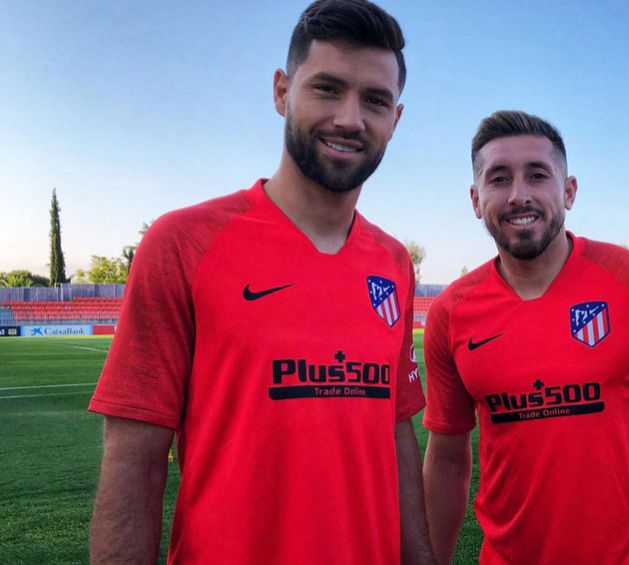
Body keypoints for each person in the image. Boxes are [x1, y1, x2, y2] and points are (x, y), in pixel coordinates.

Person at [88, 2, 434, 563]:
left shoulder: (393, 263)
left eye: (374, 100)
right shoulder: (183, 243)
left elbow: (397, 435)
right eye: (327, 88)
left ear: (395, 118)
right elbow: (134, 458)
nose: (350, 118)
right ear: (281, 92)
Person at [422, 111, 629, 564]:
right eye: (498, 179)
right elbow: (448, 460)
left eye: (537, 175)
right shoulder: (451, 312)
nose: (518, 195)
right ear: (475, 199)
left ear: (568, 191)